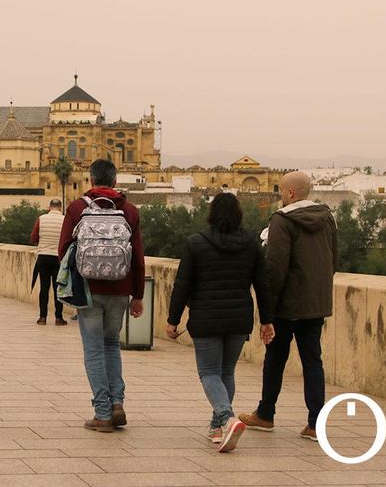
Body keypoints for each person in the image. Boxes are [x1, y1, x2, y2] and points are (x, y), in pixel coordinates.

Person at [166, 193, 273, 452]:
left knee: (209, 373)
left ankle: (226, 418)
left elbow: (183, 285)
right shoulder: (251, 244)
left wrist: (173, 320)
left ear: (211, 214)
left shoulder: (196, 243)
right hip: (238, 318)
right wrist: (267, 320)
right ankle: (216, 428)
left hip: (206, 317)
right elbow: (262, 285)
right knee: (226, 373)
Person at [239, 171, 338, 441]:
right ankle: (316, 423)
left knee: (275, 358)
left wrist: (267, 310)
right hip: (316, 303)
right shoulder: (327, 217)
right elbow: (333, 259)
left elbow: (275, 267)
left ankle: (266, 413)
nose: (280, 194)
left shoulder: (282, 220)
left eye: (281, 190)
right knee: (313, 360)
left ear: (290, 193)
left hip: (287, 304)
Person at [58, 159, 145, 433]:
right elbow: (138, 257)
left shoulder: (77, 208)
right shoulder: (129, 210)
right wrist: (138, 295)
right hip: (120, 289)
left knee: (94, 350)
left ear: (91, 180)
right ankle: (117, 402)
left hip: (88, 290)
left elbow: (63, 250)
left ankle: (102, 413)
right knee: (111, 346)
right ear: (115, 181)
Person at [30, 199, 66, 326]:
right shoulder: (64, 220)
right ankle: (58, 318)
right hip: (58, 258)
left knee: (44, 288)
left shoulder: (41, 219)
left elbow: (34, 237)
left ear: (49, 207)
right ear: (60, 208)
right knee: (58, 289)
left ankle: (42, 317)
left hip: (43, 257)